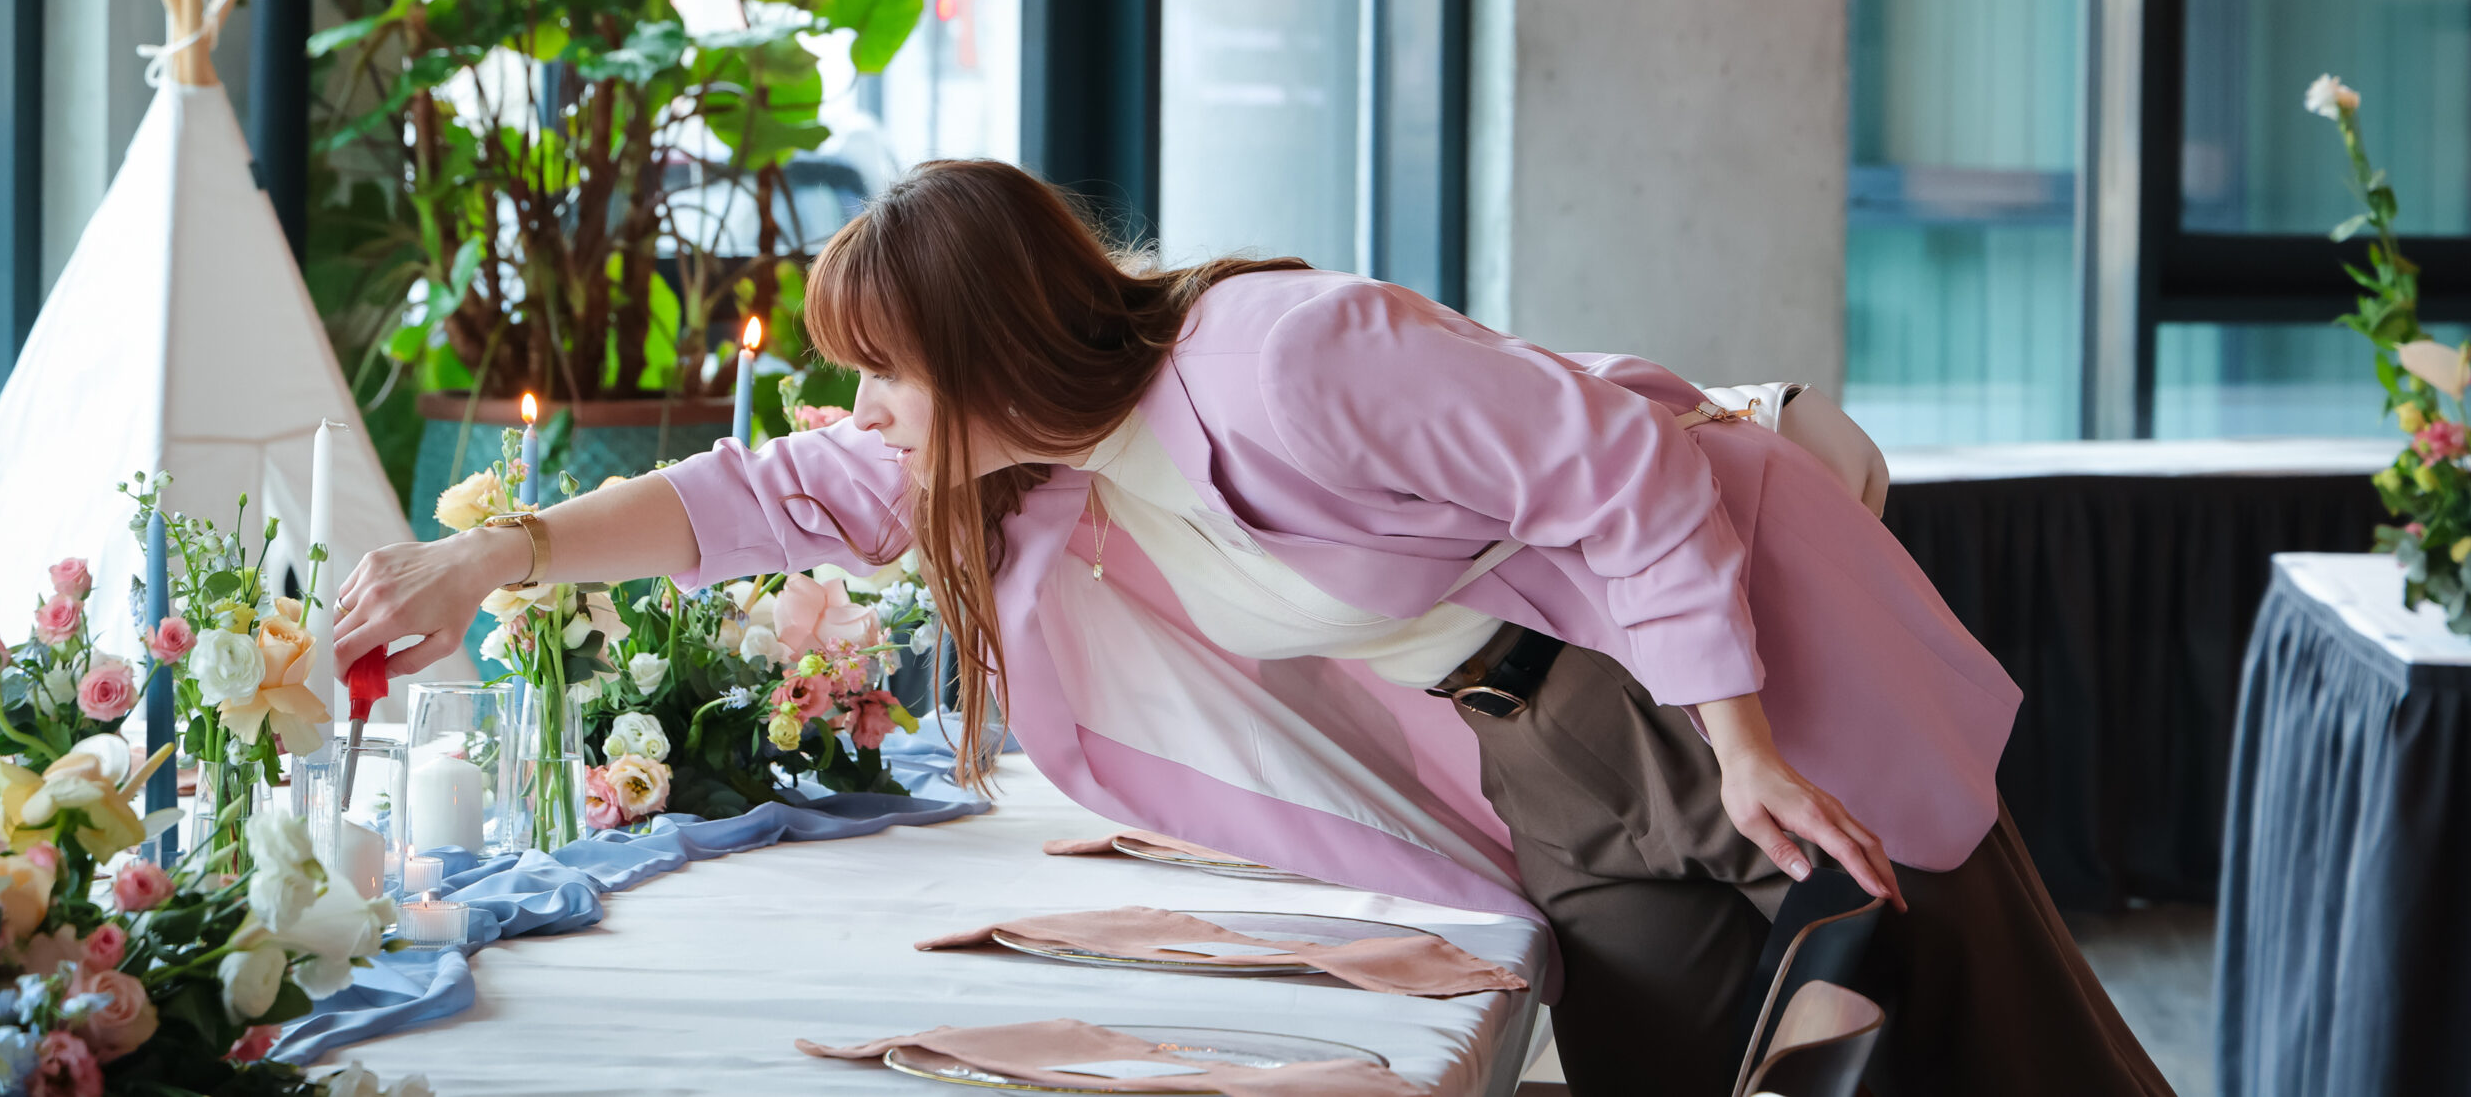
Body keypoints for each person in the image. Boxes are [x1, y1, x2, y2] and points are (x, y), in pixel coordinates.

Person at [333, 159, 2167, 1096]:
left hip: (1707, 676)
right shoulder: (1044, 473)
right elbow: (768, 495)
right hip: (1544, 767)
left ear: (987, 347)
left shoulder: (1285, 356)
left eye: (885, 374)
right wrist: (500, 559)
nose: (864, 415)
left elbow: (1620, 468)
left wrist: (1743, 737)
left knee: (1999, 1039)